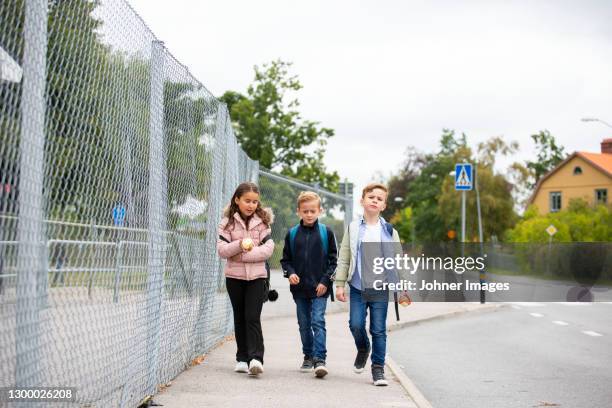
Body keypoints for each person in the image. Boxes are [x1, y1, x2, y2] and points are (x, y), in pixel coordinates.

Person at [334, 183, 401, 386]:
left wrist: (402, 287)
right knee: (355, 324)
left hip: (381, 289)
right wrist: (339, 284)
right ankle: (363, 348)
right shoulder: (353, 228)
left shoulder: (390, 231)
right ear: (362, 201)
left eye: (379, 199)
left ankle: (378, 369)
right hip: (357, 287)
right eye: (371, 197)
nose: (375, 200)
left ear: (383, 206)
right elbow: (344, 257)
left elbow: (397, 261)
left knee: (378, 330)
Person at [217, 182, 274, 376]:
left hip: (257, 278)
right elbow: (222, 250)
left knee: (252, 316)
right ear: (237, 200)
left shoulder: (263, 222)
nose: (251, 205)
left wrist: (242, 254)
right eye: (247, 201)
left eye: (255, 202)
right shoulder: (227, 223)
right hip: (234, 278)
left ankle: (256, 358)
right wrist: (241, 244)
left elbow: (268, 250)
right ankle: (242, 358)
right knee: (240, 317)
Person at [280, 191, 338, 378]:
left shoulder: (326, 233)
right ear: (299, 212)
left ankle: (320, 359)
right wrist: (291, 273)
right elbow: (285, 260)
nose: (309, 214)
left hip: (320, 288)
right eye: (305, 211)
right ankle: (308, 355)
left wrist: (325, 281)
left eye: (313, 211)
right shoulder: (292, 233)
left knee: (317, 321)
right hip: (299, 289)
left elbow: (333, 261)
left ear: (319, 211)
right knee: (304, 324)